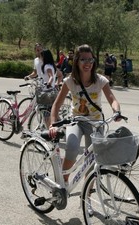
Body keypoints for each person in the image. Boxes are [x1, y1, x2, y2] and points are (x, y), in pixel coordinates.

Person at [49, 44, 121, 184]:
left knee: (92, 158)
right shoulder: (70, 81)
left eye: (90, 60)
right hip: (76, 121)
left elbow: (112, 99)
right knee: (72, 148)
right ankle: (63, 181)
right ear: (76, 61)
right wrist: (53, 124)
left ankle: (87, 194)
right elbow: (56, 105)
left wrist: (116, 111)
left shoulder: (100, 80)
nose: (87, 63)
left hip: (95, 123)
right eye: (83, 59)